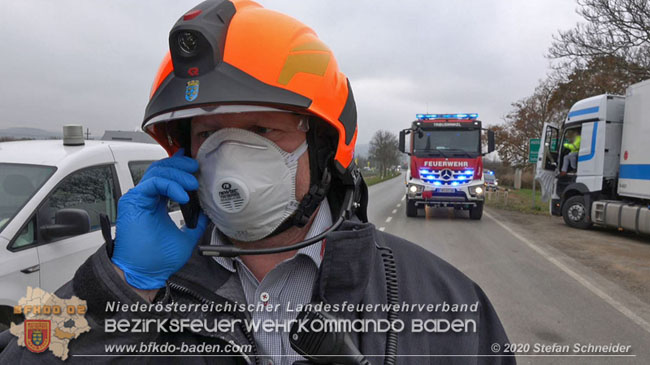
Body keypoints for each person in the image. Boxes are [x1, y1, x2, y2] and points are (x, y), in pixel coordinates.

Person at [0, 1, 513, 363]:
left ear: (323, 147)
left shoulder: (440, 298)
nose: (232, 159)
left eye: (263, 130)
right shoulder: (148, 291)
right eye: (209, 134)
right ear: (185, 151)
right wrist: (119, 287)